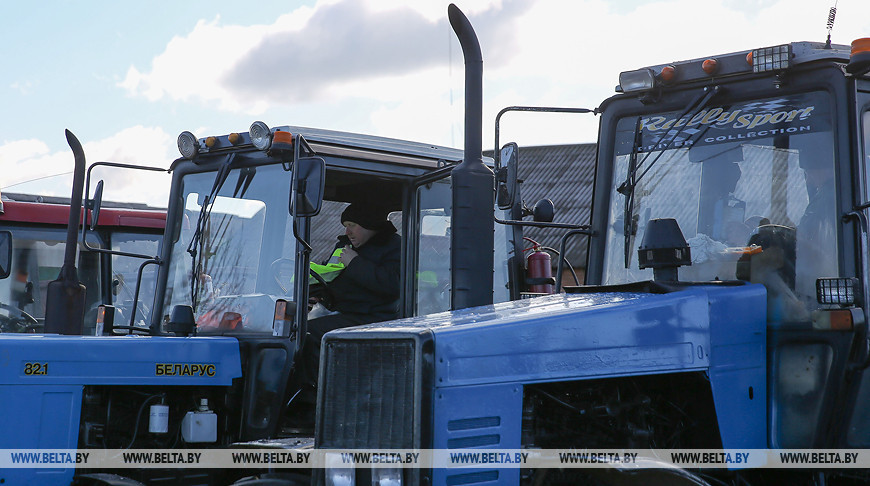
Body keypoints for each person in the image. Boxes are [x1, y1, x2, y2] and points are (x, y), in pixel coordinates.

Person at [286, 202, 401, 424]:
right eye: (345, 225)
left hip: (374, 318)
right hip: (341, 311)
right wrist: (320, 295)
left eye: (352, 225)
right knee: (291, 326)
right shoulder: (346, 245)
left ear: (370, 226)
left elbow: (392, 285)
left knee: (309, 334)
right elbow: (333, 277)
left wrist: (355, 263)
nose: (347, 231)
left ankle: (309, 404)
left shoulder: (394, 247)